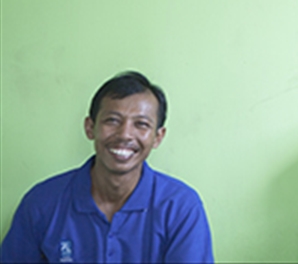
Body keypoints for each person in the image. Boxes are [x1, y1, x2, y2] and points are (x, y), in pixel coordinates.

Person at [0, 71, 213, 263]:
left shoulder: (181, 207)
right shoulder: (42, 203)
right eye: (112, 120)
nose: (124, 134)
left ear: (158, 137)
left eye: (141, 124)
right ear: (90, 127)